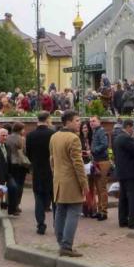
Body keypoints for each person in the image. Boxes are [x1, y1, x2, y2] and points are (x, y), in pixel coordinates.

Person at [49, 110, 87, 257]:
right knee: (74, 212)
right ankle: (66, 245)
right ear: (68, 122)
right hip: (71, 181)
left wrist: (56, 175)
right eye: (77, 120)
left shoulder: (54, 136)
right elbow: (78, 163)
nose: (79, 123)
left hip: (58, 180)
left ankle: (61, 242)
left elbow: (52, 160)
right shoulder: (73, 138)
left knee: (60, 211)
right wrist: (84, 183)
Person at [25, 112, 55, 235]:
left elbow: (28, 154)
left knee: (38, 199)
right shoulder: (52, 134)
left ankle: (40, 225)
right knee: (55, 199)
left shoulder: (30, 135)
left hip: (37, 170)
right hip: (51, 170)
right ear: (47, 119)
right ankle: (57, 224)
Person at [113, 120, 134, 230]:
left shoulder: (117, 138)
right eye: (133, 128)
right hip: (129, 172)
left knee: (123, 197)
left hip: (121, 172)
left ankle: (122, 220)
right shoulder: (126, 138)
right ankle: (133, 221)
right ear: (128, 127)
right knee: (132, 197)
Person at [6, 122, 31, 216]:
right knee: (19, 185)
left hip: (10, 163)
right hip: (20, 164)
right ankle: (16, 205)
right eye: (23, 129)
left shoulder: (7, 138)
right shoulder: (21, 139)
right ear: (20, 130)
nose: (24, 131)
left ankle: (9, 204)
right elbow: (25, 151)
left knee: (11, 184)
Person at [89, 116, 110, 221]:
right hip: (97, 161)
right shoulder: (95, 131)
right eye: (90, 121)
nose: (91, 123)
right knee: (98, 187)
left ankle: (104, 212)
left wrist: (93, 151)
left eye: (94, 121)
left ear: (99, 122)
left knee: (101, 188)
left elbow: (104, 145)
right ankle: (100, 210)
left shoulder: (101, 131)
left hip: (102, 161)